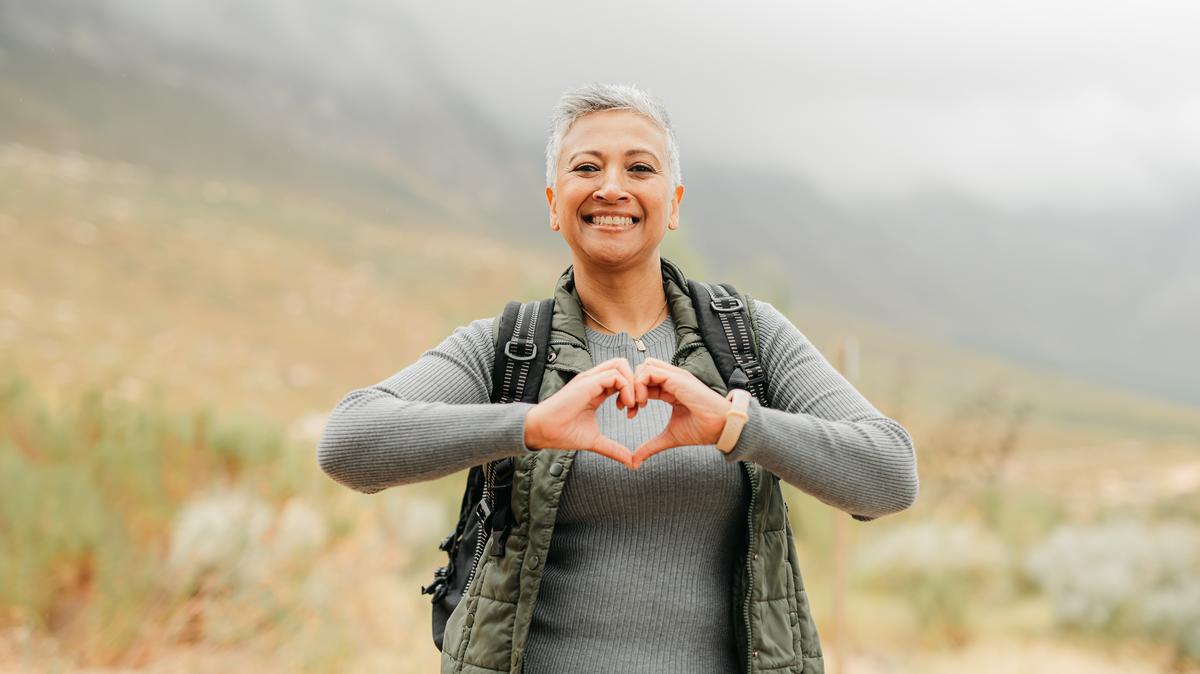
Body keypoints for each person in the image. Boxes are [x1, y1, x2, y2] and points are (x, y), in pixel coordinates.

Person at [317, 83, 919, 674]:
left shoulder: (749, 338)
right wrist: (529, 424)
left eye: (639, 168)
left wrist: (736, 424)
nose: (612, 187)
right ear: (554, 203)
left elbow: (890, 474)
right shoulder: (509, 348)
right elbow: (348, 443)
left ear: (675, 203)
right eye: (586, 166)